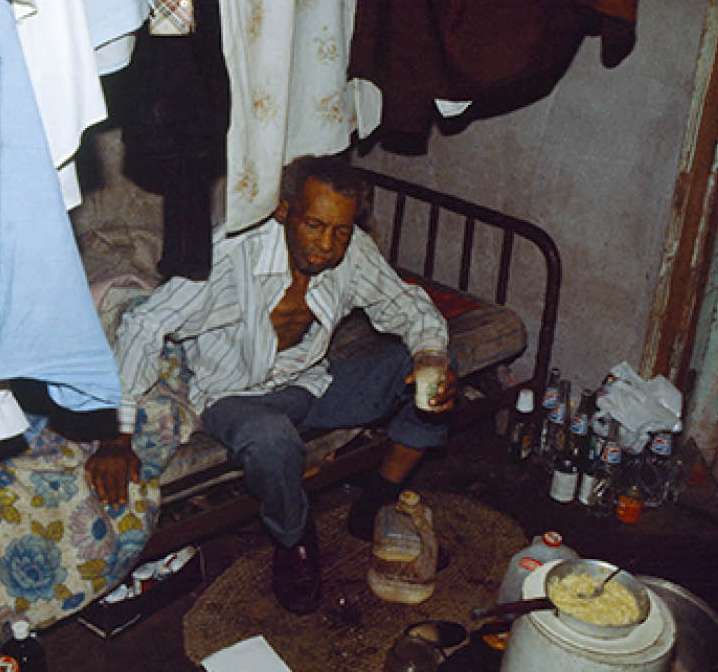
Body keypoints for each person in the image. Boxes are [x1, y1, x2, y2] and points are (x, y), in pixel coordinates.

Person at [85, 154, 457, 614]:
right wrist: (115, 435)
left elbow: (408, 308)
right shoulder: (226, 256)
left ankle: (377, 498)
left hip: (309, 382)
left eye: (340, 230)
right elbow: (144, 325)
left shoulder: (352, 250)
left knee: (434, 362)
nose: (327, 245)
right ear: (284, 211)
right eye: (315, 225)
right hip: (233, 395)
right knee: (270, 438)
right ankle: (294, 539)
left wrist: (429, 357)